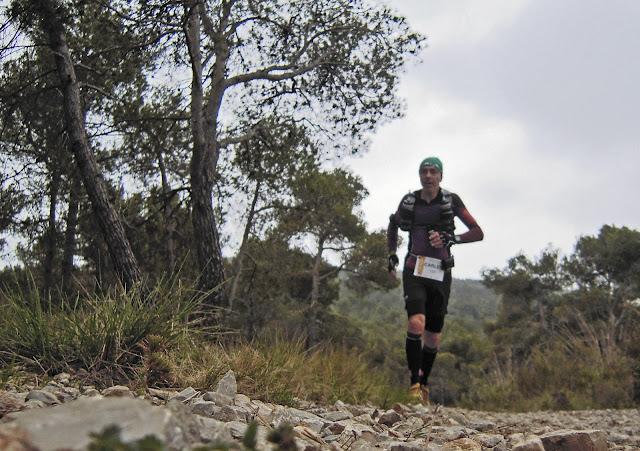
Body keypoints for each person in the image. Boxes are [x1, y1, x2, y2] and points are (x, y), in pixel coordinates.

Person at [387, 156, 483, 404]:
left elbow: (477, 232)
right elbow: (393, 223)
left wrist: (452, 239)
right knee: (416, 324)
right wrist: (391, 256)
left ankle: (424, 382)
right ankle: (413, 385)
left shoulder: (452, 201)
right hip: (414, 269)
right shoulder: (410, 202)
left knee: (433, 337)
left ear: (441, 176)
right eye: (424, 171)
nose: (428, 176)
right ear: (420, 175)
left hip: (441, 272)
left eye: (433, 172)